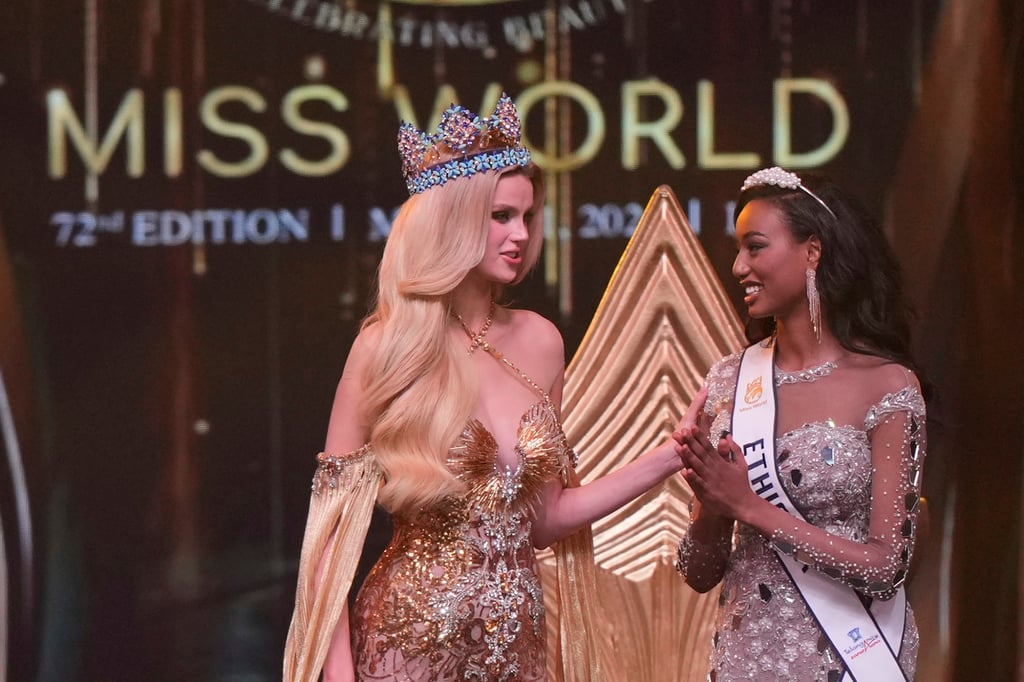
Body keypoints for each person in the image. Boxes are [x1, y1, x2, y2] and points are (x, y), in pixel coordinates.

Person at [283, 93, 704, 682]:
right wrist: (340, 676)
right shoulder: (387, 346)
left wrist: (669, 456)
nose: (520, 234)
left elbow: (547, 518)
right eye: (501, 216)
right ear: (452, 221)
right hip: (408, 640)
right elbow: (330, 542)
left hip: (518, 645)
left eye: (527, 217)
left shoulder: (540, 341)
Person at [674, 167, 928, 681]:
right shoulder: (731, 381)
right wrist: (712, 510)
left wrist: (748, 504)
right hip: (748, 656)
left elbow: (887, 566)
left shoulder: (889, 386)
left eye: (756, 247)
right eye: (739, 249)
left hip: (854, 658)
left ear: (812, 252)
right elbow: (699, 575)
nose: (739, 266)